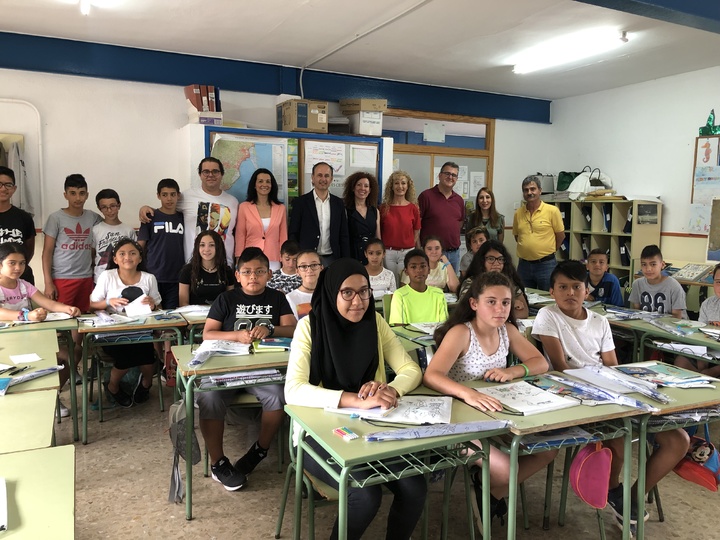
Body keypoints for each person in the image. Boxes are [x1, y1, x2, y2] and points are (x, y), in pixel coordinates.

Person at [532, 260, 689, 533]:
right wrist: (602, 382)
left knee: (678, 440)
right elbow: (560, 367)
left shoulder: (600, 321)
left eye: (577, 287)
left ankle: (631, 498)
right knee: (619, 438)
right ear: (552, 291)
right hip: (577, 395)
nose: (570, 293)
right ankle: (617, 494)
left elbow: (612, 365)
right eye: (563, 287)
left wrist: (628, 384)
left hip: (611, 393)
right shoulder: (548, 315)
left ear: (586, 290)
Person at [284, 259, 426, 540]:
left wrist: (392, 390)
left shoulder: (375, 322)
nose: (358, 301)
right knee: (365, 493)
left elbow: (411, 370)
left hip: (370, 427)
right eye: (347, 292)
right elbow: (294, 390)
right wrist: (353, 400)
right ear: (331, 292)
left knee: (414, 485)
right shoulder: (308, 328)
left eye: (364, 291)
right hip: (317, 434)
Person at [423, 271, 555, 526]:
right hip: (460, 421)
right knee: (506, 469)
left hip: (497, 414)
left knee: (547, 452)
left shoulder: (506, 331)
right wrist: (468, 393)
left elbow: (540, 362)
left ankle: (488, 491)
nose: (500, 308)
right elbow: (432, 375)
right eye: (491, 301)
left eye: (505, 302)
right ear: (474, 304)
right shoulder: (462, 333)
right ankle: (491, 487)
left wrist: (512, 371)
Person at [197, 247, 296, 491]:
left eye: (260, 271)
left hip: (263, 367)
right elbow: (207, 333)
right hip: (227, 367)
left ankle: (260, 450)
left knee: (277, 395)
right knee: (209, 397)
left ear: (269, 274)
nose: (254, 277)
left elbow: (293, 329)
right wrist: (236, 336)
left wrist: (271, 329)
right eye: (247, 272)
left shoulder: (277, 298)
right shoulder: (226, 299)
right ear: (238, 275)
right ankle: (218, 462)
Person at [0, 243, 81, 417]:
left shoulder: (24, 285)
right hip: (5, 346)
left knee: (73, 354)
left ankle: (52, 395)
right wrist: (26, 316)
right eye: (12, 263)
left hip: (32, 341)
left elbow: (48, 303)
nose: (18, 268)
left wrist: (68, 308)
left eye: (22, 263)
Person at [88, 237, 162, 408]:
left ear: (140, 258)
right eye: (122, 253)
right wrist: (109, 302)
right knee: (128, 354)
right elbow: (91, 305)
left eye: (132, 253)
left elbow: (159, 307)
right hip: (113, 331)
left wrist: (153, 305)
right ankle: (113, 387)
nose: (127, 257)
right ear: (115, 259)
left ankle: (146, 384)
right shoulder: (107, 276)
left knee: (147, 355)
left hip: (141, 329)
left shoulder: (149, 278)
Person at [139, 157, 238, 265]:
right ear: (200, 175)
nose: (210, 175)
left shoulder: (233, 202)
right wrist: (146, 208)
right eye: (206, 172)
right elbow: (166, 208)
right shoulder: (187, 196)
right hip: (193, 265)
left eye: (215, 171)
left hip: (224, 264)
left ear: (221, 174)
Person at [288, 162, 350, 267]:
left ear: (331, 179)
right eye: (319, 175)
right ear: (312, 178)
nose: (323, 179)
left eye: (326, 176)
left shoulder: (338, 203)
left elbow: (343, 234)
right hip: (307, 259)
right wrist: (296, 257)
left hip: (332, 258)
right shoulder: (300, 203)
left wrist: (345, 261)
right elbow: (293, 233)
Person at [137, 179, 185, 309]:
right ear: (158, 195)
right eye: (164, 195)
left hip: (177, 277)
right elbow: (140, 246)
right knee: (153, 316)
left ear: (178, 195)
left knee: (172, 317)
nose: (169, 198)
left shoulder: (184, 217)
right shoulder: (150, 217)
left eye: (172, 194)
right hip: (153, 276)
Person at [512, 176, 565, 291]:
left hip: (546, 265)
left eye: (532, 189)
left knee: (547, 299)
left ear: (540, 191)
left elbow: (561, 236)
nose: (529, 192)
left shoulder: (552, 211)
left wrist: (548, 250)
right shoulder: (518, 213)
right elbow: (517, 236)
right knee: (523, 298)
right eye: (526, 190)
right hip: (524, 265)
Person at [459, 240, 529, 319]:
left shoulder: (508, 282)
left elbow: (524, 312)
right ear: (482, 261)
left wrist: (492, 313)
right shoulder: (470, 282)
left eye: (500, 259)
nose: (496, 263)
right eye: (491, 259)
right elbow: (467, 312)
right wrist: (510, 304)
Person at [234, 168, 287, 271]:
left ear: (272, 185)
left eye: (268, 181)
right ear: (254, 185)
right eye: (260, 181)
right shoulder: (244, 207)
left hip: (274, 259)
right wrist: (238, 258)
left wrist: (284, 260)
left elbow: (283, 236)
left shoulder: (280, 208)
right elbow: (240, 235)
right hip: (250, 258)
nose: (264, 184)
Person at [418, 162, 465, 271]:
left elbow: (459, 224)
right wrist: (419, 249)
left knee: (452, 286)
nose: (450, 177)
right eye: (447, 173)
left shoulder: (458, 200)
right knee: (432, 285)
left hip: (454, 254)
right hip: (432, 253)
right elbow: (417, 226)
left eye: (454, 175)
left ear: (457, 178)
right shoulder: (426, 196)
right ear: (439, 176)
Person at [675, 263, 720, 375]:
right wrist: (702, 362)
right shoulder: (708, 304)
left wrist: (712, 371)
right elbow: (700, 336)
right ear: (713, 283)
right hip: (709, 355)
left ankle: (705, 377)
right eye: (718, 282)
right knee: (681, 361)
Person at [379, 170, 421, 284]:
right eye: (396, 183)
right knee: (390, 285)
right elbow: (379, 231)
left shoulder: (413, 208)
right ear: (391, 186)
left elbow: (416, 231)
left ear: (408, 186)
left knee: (406, 285)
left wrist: (408, 245)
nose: (400, 186)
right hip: (388, 253)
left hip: (407, 253)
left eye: (403, 183)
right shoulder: (383, 208)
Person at [389, 248, 448, 325]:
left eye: (423, 266)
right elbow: (399, 327)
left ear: (429, 270)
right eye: (413, 267)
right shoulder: (399, 295)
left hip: (435, 336)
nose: (419, 270)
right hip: (408, 337)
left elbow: (444, 325)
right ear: (406, 272)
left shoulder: (438, 294)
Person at [178, 230, 236, 307]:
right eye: (202, 245)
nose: (206, 249)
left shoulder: (227, 271)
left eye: (211, 245)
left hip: (220, 316)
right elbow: (183, 304)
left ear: (218, 247)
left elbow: (231, 301)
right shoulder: (187, 271)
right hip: (194, 317)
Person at [0, 166, 36, 284]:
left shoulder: (24, 217)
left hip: (21, 278)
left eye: (8, 185)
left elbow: (29, 250)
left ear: (14, 189)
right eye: (0, 184)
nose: (3, 188)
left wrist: (17, 268)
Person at [629, 244, 687, 318]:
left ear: (662, 265)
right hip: (645, 326)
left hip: (672, 327)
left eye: (653, 264)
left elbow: (677, 317)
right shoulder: (637, 284)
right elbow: (636, 311)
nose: (648, 269)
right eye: (644, 264)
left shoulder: (674, 286)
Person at [92, 188, 137, 283]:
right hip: (101, 280)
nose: (109, 210)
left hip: (124, 280)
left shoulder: (129, 231)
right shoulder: (95, 230)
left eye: (113, 206)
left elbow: (135, 255)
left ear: (119, 205)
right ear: (99, 208)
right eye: (104, 207)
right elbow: (91, 256)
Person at [343, 171, 380, 264]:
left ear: (370, 190)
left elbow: (377, 238)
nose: (362, 188)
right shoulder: (345, 210)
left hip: (371, 256)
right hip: (352, 255)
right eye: (359, 185)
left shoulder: (375, 211)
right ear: (353, 188)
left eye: (366, 186)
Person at [286, 250, 322, 320]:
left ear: (321, 268)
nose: (309, 270)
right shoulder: (290, 298)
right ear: (297, 271)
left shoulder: (330, 294)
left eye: (314, 265)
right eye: (304, 266)